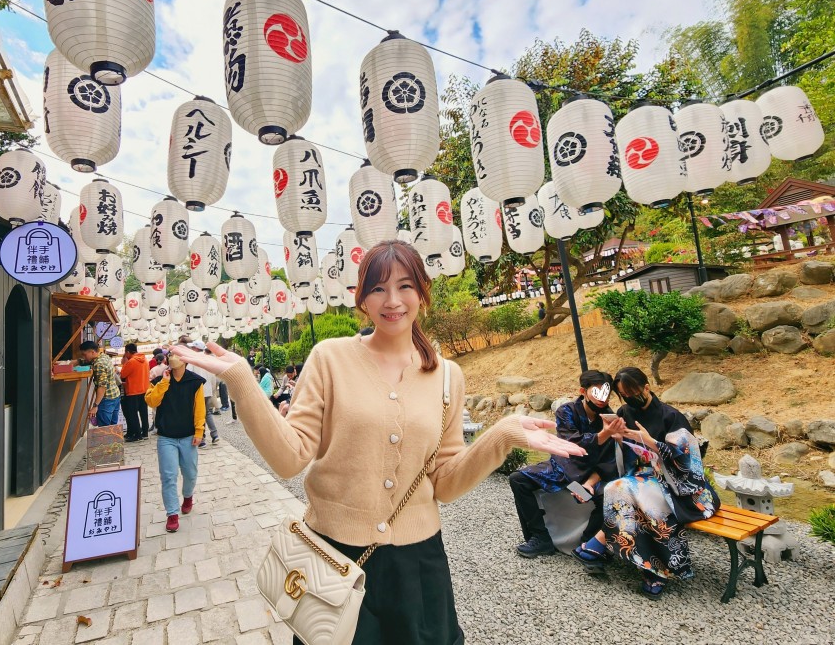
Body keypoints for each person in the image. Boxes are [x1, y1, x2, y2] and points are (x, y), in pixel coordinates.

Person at [170, 240, 583, 643]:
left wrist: (501, 437)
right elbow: (290, 458)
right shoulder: (330, 358)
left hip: (419, 563)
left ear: (423, 292)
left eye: (405, 285)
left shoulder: (447, 377)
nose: (393, 300)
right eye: (378, 288)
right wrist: (242, 380)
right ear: (361, 299)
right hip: (334, 555)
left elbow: (445, 484)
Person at [575, 366, 720, 599]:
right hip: (643, 478)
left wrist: (650, 441)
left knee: (637, 498)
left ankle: (605, 545)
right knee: (616, 487)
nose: (630, 399)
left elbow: (687, 459)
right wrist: (619, 438)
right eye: (624, 395)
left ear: (646, 388)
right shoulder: (625, 413)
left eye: (633, 393)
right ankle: (651, 569)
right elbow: (623, 453)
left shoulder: (670, 416)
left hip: (679, 486)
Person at [508, 369, 623, 560]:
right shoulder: (566, 411)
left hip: (588, 476)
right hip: (561, 469)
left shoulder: (609, 419)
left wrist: (590, 483)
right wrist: (604, 434)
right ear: (583, 391)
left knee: (610, 497)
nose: (602, 399)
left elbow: (608, 461)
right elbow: (571, 443)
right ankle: (540, 537)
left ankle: (587, 545)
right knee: (518, 480)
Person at [145, 342, 207, 533]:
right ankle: (172, 513)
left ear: (185, 360)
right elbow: (151, 401)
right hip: (166, 437)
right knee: (169, 476)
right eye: (170, 354)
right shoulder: (159, 381)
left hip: (188, 436)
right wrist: (164, 383)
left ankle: (187, 496)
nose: (172, 357)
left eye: (177, 354)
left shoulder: (195, 382)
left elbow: (200, 409)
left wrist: (199, 431)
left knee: (190, 473)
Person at [187, 340, 220, 447]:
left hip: (198, 391)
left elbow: (188, 374)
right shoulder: (208, 359)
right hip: (208, 390)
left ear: (196, 349)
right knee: (207, 413)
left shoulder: (193, 360)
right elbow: (213, 376)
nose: (191, 349)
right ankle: (214, 435)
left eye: (192, 348)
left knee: (198, 414)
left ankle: (202, 439)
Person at [81, 341, 121, 427]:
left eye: (84, 355)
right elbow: (88, 362)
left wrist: (95, 406)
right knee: (112, 428)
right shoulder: (104, 356)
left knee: (104, 430)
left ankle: (109, 441)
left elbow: (102, 386)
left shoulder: (99, 364)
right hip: (115, 395)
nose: (84, 357)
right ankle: (114, 441)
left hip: (107, 399)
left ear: (92, 352)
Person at [119, 343, 150, 442]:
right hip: (144, 389)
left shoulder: (131, 362)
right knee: (143, 412)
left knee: (132, 414)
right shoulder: (145, 360)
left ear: (128, 352)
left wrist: (124, 363)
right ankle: (145, 432)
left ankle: (137, 435)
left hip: (133, 391)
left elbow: (123, 374)